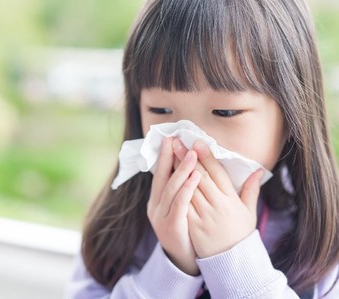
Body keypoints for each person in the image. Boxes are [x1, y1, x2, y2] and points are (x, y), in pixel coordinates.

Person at [66, 0, 339, 298]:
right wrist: (172, 266)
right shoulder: (119, 223)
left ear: (291, 115)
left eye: (225, 112)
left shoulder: (325, 240)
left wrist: (233, 259)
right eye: (160, 109)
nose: (192, 145)